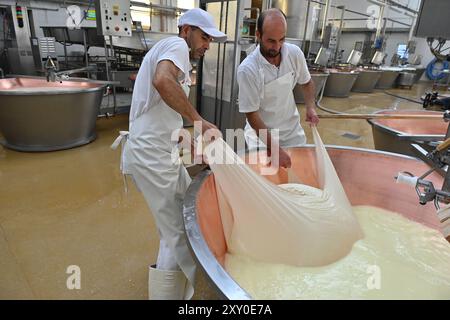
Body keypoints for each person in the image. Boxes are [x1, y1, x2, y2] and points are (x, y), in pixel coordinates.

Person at [111, 8, 226, 300]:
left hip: (159, 153)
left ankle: (171, 281)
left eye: (210, 40)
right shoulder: (176, 46)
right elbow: (162, 82)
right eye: (204, 37)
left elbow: (166, 118)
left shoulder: (178, 56)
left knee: (183, 221)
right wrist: (200, 122)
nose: (207, 45)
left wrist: (191, 146)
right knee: (178, 232)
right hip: (152, 156)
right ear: (186, 30)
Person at [237, 8, 320, 168]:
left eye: (281, 40)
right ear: (258, 35)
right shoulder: (248, 69)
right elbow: (252, 115)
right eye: (271, 41)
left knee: (299, 176)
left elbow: (307, 82)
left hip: (292, 133)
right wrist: (274, 150)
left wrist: (311, 107)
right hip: (261, 138)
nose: (277, 47)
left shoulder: (294, 54)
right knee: (267, 180)